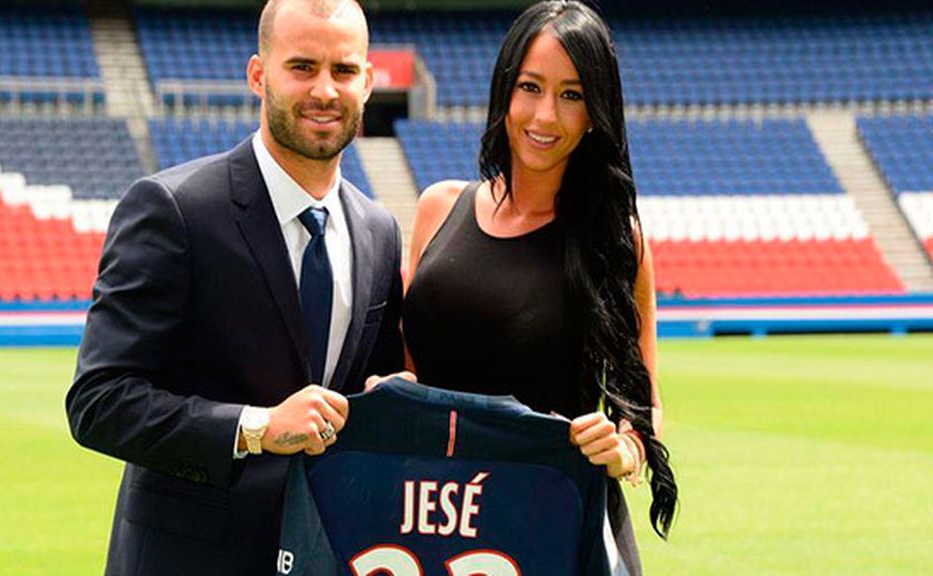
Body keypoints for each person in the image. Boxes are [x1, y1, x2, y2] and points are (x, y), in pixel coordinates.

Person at [65, 1, 405, 573]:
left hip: (327, 554)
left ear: (368, 81)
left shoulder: (379, 229)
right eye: (302, 67)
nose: (325, 90)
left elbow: (368, 391)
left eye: (343, 71)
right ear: (257, 75)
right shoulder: (173, 209)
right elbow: (99, 402)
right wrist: (257, 427)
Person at [401, 1, 678, 573]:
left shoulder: (617, 243)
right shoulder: (437, 208)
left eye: (572, 95)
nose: (545, 115)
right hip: (432, 519)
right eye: (531, 87)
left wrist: (624, 450)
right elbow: (405, 370)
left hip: (554, 521)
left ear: (596, 112)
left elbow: (642, 405)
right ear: (505, 90)